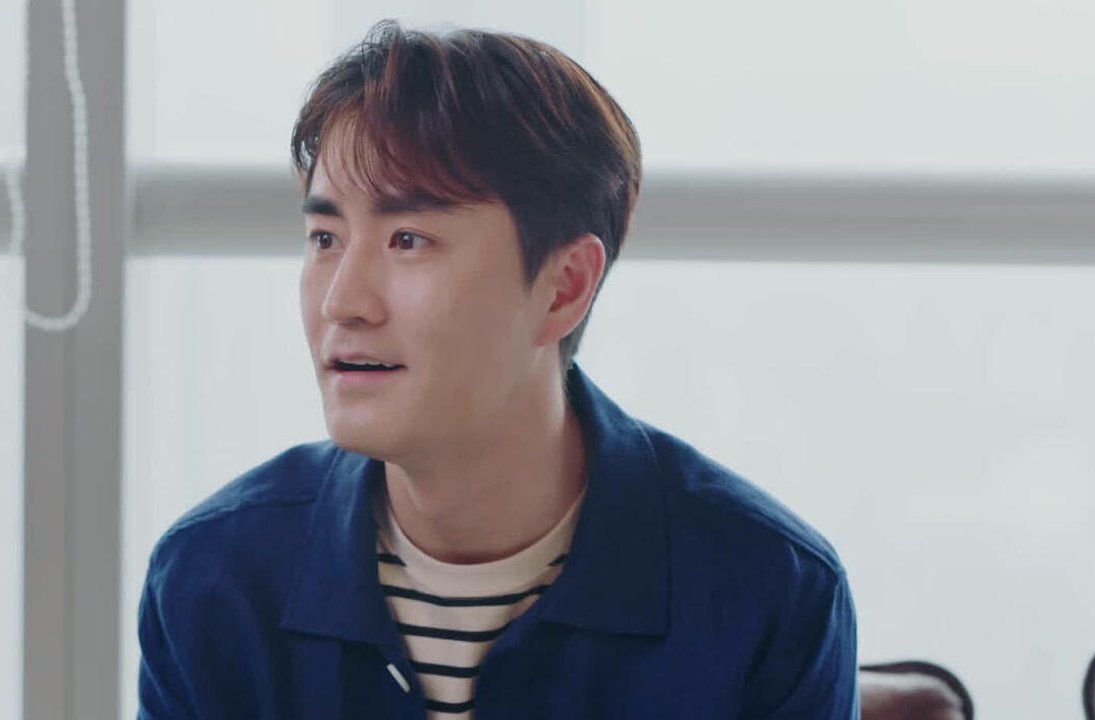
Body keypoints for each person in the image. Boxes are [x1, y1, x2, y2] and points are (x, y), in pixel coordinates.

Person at [137, 20, 859, 720]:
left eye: (409, 239)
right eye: (325, 237)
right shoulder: (214, 579)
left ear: (564, 287)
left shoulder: (770, 590)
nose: (341, 302)